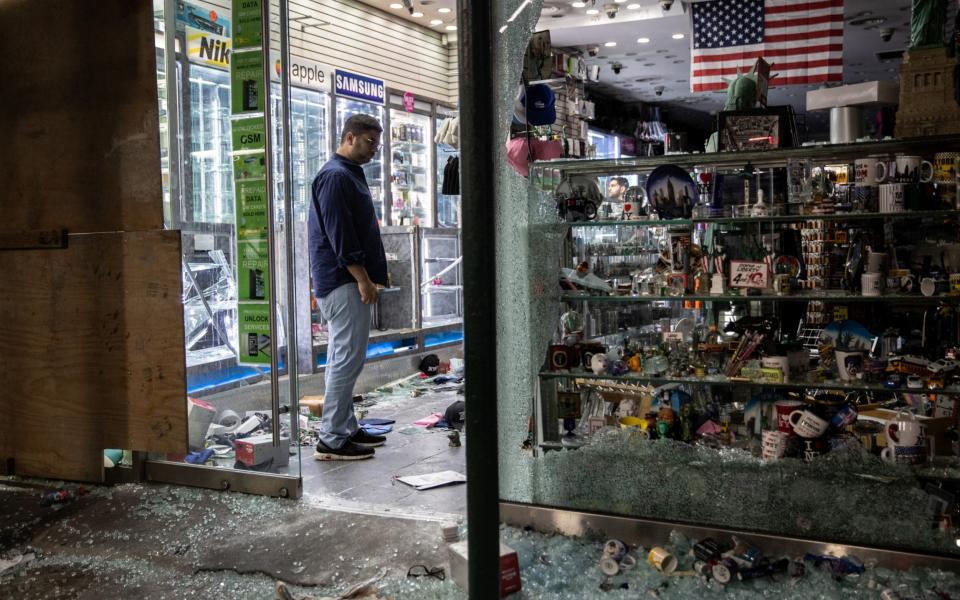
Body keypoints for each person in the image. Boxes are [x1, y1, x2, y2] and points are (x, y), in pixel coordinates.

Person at [308, 114, 389, 460]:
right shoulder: (336, 177)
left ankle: (344, 426)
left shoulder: (347, 175)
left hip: (345, 281)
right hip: (344, 282)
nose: (374, 150)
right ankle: (331, 438)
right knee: (346, 360)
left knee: (346, 359)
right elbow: (341, 235)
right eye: (369, 142)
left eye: (377, 144)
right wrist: (363, 280)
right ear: (350, 136)